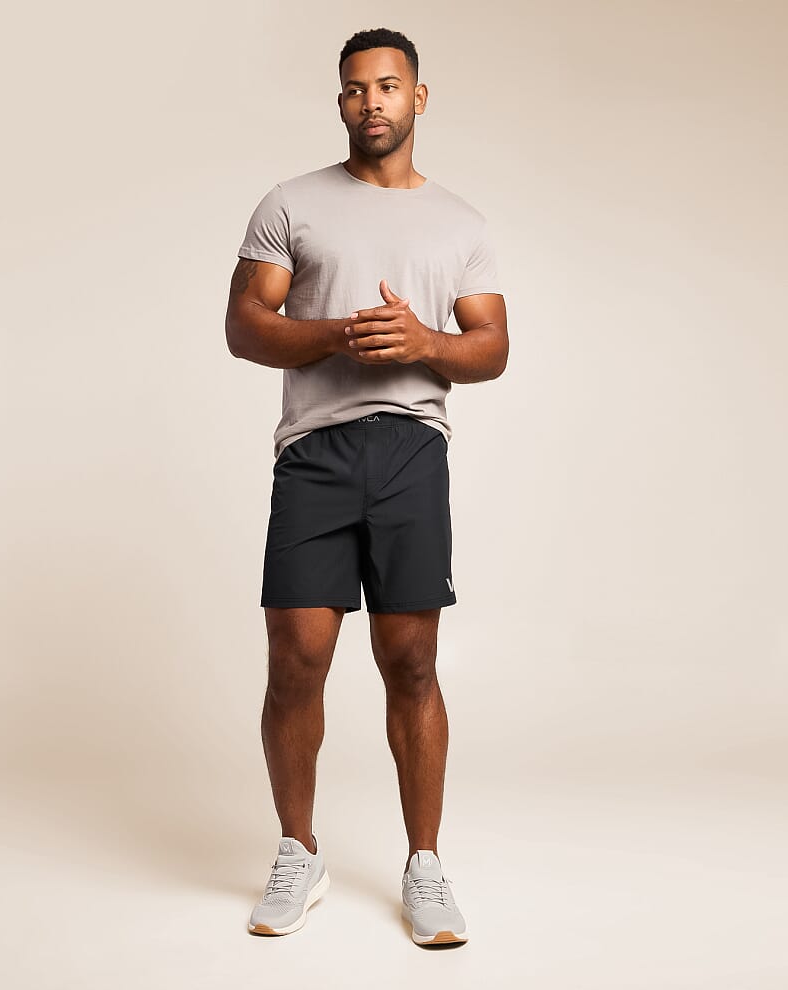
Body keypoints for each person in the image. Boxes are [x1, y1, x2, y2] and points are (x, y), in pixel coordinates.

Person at [225, 26, 508, 947]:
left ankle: (424, 864)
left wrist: (423, 342)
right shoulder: (291, 204)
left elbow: (491, 348)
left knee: (411, 662)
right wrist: (339, 334)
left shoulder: (460, 222)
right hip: (314, 452)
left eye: (387, 86)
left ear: (417, 98)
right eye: (354, 88)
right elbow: (244, 326)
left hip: (410, 454)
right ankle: (297, 852)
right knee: (295, 659)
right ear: (340, 100)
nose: (370, 101)